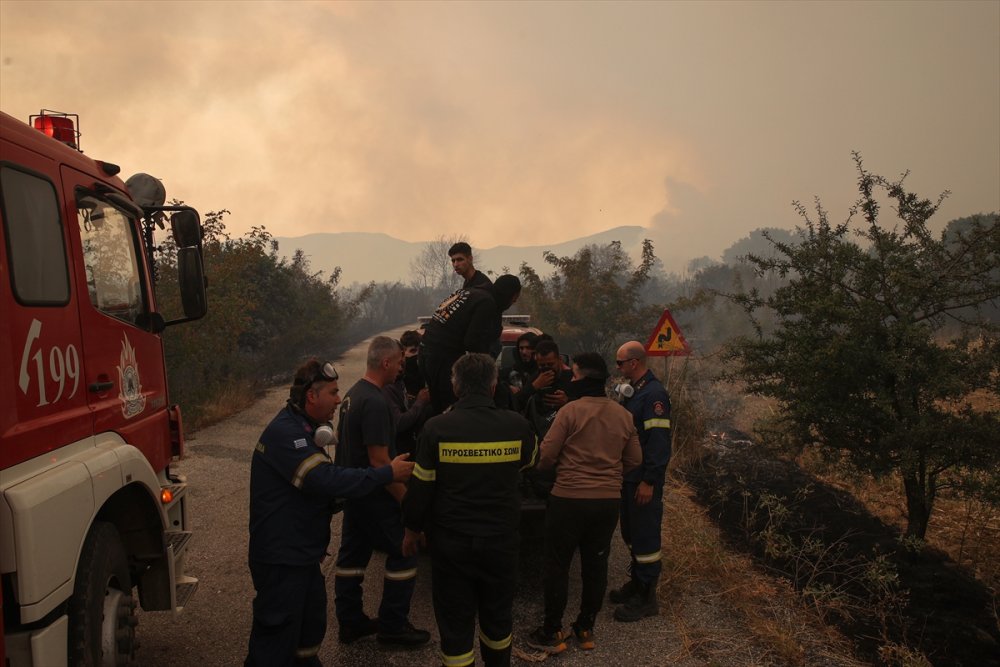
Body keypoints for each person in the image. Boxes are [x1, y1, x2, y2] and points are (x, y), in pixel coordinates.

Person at [245, 359, 415, 666]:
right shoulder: (287, 434)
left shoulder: (304, 427)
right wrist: (386, 474)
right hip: (282, 559)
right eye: (333, 393)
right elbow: (322, 479)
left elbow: (325, 489)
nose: (339, 400)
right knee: (276, 637)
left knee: (310, 629)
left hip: (301, 556)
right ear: (312, 395)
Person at [402, 353, 537, 667]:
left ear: (456, 387)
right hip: (501, 542)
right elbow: (532, 462)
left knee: (455, 622)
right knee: (498, 617)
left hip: (452, 546)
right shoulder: (517, 426)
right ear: (493, 387)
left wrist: (411, 528)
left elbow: (421, 488)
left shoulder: (436, 429)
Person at [525, 353, 641, 654]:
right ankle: (585, 628)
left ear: (583, 380)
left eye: (573, 376)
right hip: (606, 503)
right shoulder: (623, 415)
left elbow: (547, 456)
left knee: (558, 564)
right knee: (596, 564)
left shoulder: (570, 412)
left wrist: (549, 472)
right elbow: (634, 461)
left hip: (569, 500)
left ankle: (551, 631)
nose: (570, 380)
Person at [333, 337, 431, 648]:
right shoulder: (375, 402)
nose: (403, 368)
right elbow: (379, 463)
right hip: (375, 496)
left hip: (355, 493)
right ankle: (393, 627)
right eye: (400, 362)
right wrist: (409, 504)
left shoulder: (352, 395)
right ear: (386, 363)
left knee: (351, 560)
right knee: (404, 552)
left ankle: (350, 623)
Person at [609, 341, 672, 622]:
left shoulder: (654, 395)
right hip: (630, 477)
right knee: (632, 534)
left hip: (642, 480)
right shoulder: (636, 392)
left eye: (620, 363)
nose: (618, 367)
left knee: (646, 537)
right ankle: (636, 584)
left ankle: (647, 597)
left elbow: (658, 443)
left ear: (634, 363)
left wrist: (650, 481)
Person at [419, 274, 522, 414]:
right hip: (441, 357)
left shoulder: (473, 293)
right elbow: (473, 342)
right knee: (451, 410)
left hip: (427, 352)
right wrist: (489, 372)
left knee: (440, 407)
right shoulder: (487, 302)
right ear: (513, 296)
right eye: (514, 299)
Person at [383, 336, 431, 457]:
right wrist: (420, 402)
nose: (402, 363)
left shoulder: (399, 380)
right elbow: (399, 423)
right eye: (399, 359)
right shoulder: (387, 387)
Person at [498, 331, 538, 396]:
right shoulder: (509, 373)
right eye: (521, 348)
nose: (524, 352)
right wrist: (507, 388)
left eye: (528, 348)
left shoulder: (543, 372)